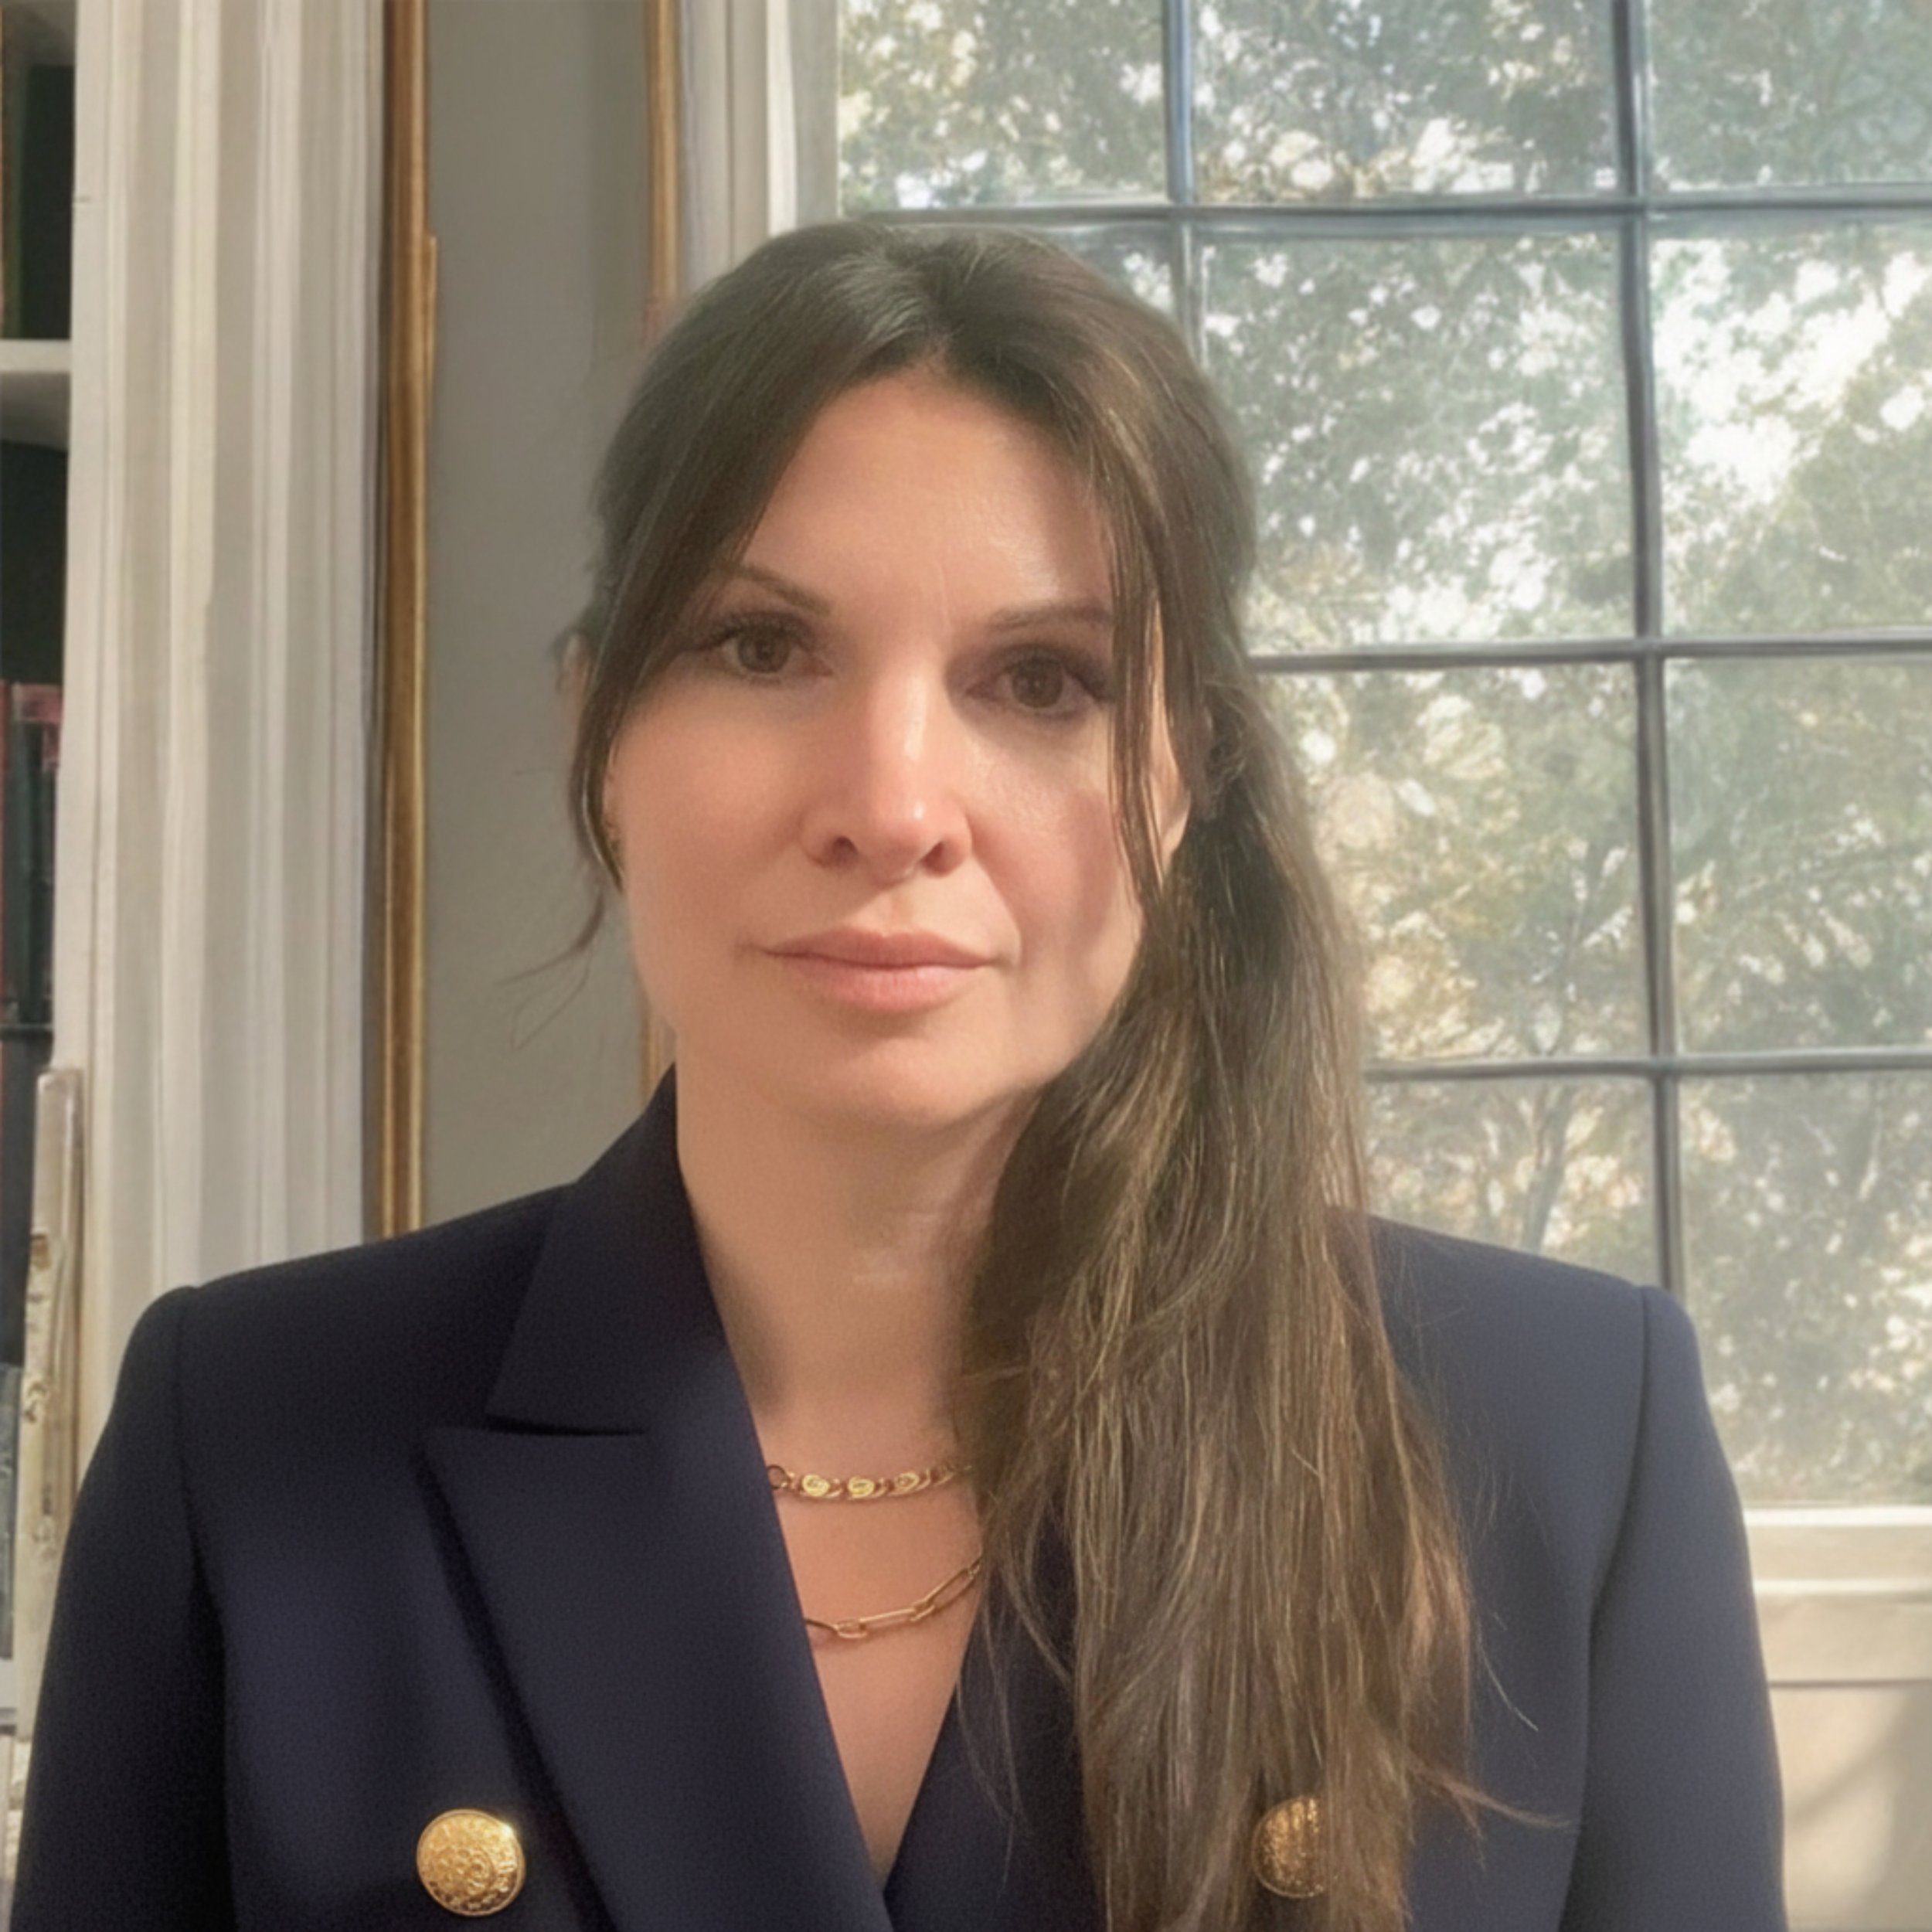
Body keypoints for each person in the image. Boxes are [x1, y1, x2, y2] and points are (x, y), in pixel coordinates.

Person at [14, 223, 1784, 1932]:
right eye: (762, 646)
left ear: (1187, 778)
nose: (893, 799)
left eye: (1040, 677)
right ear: (597, 732)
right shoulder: (242, 1433)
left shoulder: (1563, 1442)